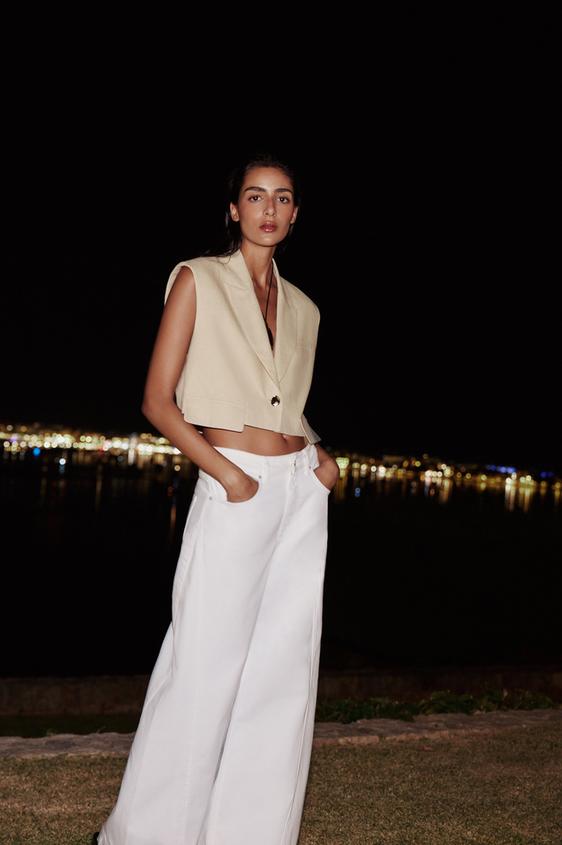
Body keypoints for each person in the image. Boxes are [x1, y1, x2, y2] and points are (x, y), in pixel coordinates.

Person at [94, 151, 339, 845]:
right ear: (233, 209)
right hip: (236, 485)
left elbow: (282, 403)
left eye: (282, 198)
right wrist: (227, 476)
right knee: (201, 668)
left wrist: (319, 457)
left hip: (299, 492)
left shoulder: (305, 309)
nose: (268, 209)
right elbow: (157, 400)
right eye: (255, 196)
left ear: (295, 213)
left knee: (281, 677)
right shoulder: (197, 279)